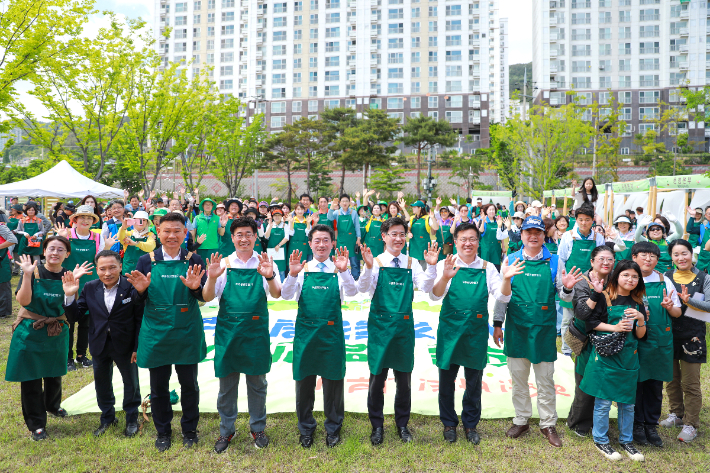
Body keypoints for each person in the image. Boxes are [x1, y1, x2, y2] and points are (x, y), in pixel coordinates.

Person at [492, 215, 579, 448]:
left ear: (544, 236)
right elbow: (503, 296)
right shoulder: (510, 259)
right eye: (528, 232)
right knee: (518, 378)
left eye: (538, 232)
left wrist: (569, 289)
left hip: (543, 328)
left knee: (545, 379)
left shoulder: (554, 261)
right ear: (521, 235)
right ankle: (521, 419)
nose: (533, 236)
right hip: (517, 327)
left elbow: (563, 294)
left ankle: (548, 423)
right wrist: (498, 324)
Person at [429, 222, 517, 444]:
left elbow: (503, 297)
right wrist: (445, 277)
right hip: (450, 330)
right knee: (446, 380)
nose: (468, 243)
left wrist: (506, 279)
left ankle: (470, 425)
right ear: (456, 242)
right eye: (463, 239)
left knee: (474, 381)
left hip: (475, 332)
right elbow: (435, 296)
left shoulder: (488, 267)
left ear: (478, 242)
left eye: (472, 239)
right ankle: (449, 424)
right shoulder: (445, 264)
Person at [126, 212, 207, 452]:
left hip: (186, 328)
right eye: (167, 231)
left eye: (177, 231)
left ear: (185, 233)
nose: (172, 236)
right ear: (158, 232)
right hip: (156, 329)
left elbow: (202, 296)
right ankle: (163, 431)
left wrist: (194, 289)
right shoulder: (145, 260)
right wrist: (140, 291)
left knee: (189, 384)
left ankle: (189, 430)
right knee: (158, 385)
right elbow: (135, 301)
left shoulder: (195, 259)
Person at [202, 218, 281, 453]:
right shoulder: (223, 263)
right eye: (239, 234)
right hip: (229, 333)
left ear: (256, 237)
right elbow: (207, 297)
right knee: (227, 386)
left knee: (257, 384)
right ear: (233, 238)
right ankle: (226, 430)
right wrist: (213, 277)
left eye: (248, 234)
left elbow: (276, 294)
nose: (244, 238)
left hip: (255, 333)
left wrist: (269, 275)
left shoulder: (265, 262)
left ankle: (258, 427)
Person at [358, 217, 437, 445]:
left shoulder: (411, 263)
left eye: (402, 234)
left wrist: (431, 266)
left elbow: (425, 287)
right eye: (393, 234)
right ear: (383, 237)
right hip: (380, 330)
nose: (398, 238)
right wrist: (367, 267)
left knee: (404, 381)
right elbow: (363, 289)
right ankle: (377, 426)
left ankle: (402, 424)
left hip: (403, 330)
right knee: (377, 379)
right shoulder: (376, 262)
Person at [5, 237, 89, 441]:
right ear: (44, 250)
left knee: (54, 374)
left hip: (57, 330)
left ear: (67, 254)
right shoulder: (33, 271)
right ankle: (36, 424)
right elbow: (23, 301)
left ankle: (52, 406)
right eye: (51, 248)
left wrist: (74, 287)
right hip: (30, 331)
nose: (55, 253)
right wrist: (25, 275)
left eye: (61, 249)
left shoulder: (68, 275)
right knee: (31, 378)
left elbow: (72, 309)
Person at [282, 225, 357, 449]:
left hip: (331, 334)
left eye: (326, 240)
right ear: (310, 244)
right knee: (304, 383)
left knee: (333, 382)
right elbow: (286, 295)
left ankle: (333, 428)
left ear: (332, 243)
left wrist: (344, 271)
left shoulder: (339, 267)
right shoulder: (301, 269)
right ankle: (306, 428)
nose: (321, 245)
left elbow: (352, 293)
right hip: (306, 334)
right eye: (317, 241)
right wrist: (292, 274)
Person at [65, 250, 143, 438]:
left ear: (120, 267)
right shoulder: (90, 288)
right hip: (99, 343)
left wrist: (137, 347)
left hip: (126, 344)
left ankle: (132, 419)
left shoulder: (132, 287)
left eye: (112, 268)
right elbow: (75, 316)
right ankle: (107, 417)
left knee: (131, 383)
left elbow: (140, 318)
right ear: (97, 270)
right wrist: (69, 297)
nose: (107, 273)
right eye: (102, 269)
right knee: (102, 383)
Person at [580, 260, 647, 462]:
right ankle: (600, 439)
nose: (630, 279)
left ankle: (627, 441)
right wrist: (615, 328)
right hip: (607, 357)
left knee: (627, 403)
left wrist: (641, 320)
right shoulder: (605, 297)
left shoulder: (639, 302)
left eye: (635, 276)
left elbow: (642, 335)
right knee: (603, 402)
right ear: (617, 276)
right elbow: (590, 324)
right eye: (626, 275)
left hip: (629, 358)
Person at [629, 241, 682, 447]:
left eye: (653, 256)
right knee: (636, 384)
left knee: (654, 385)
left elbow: (677, 312)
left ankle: (651, 425)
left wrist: (670, 307)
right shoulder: (628, 278)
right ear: (634, 257)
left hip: (659, 341)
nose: (648, 259)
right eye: (643, 255)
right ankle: (636, 425)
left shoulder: (664, 280)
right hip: (635, 340)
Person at [562, 246, 615, 437]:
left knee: (604, 379)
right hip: (586, 339)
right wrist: (596, 293)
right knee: (584, 380)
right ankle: (580, 421)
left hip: (609, 337)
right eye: (601, 259)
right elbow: (582, 313)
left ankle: (599, 419)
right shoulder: (583, 282)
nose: (606, 263)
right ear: (592, 261)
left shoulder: (616, 280)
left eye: (610, 259)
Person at [660, 239, 710, 443]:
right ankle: (676, 414)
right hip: (669, 334)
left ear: (692, 254)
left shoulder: (703, 277)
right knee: (671, 379)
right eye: (676, 254)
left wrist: (690, 301)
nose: (681, 258)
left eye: (684, 253)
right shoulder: (666, 277)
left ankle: (691, 424)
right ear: (671, 257)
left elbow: (709, 306)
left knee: (690, 383)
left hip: (693, 336)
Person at [56, 205, 116, 371]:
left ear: (93, 221)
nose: (85, 220)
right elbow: (56, 255)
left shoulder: (97, 238)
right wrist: (62, 240)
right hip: (69, 281)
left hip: (89, 283)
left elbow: (100, 259)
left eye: (89, 218)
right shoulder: (65, 234)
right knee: (68, 321)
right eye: (82, 217)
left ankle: (81, 355)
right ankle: (67, 357)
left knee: (86, 321)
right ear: (75, 220)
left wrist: (107, 247)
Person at [557, 203, 609, 356]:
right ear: (576, 220)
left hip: (591, 282)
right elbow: (562, 260)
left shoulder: (598, 237)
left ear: (593, 220)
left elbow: (602, 260)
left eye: (587, 219)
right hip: (572, 281)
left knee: (590, 315)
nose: (584, 223)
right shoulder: (568, 236)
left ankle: (587, 348)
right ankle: (567, 350)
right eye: (580, 219)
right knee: (568, 317)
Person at [328, 194, 362, 280]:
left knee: (354, 262)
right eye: (343, 201)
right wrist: (332, 207)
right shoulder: (337, 212)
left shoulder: (353, 212)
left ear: (349, 202)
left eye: (346, 201)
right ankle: (342, 278)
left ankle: (355, 278)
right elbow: (329, 217)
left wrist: (358, 238)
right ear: (340, 202)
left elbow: (357, 226)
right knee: (341, 261)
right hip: (341, 240)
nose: (345, 203)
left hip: (352, 240)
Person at [117, 211, 155, 275]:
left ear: (147, 223)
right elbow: (120, 238)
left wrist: (136, 243)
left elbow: (150, 246)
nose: (141, 222)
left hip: (145, 269)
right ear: (133, 221)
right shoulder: (128, 233)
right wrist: (123, 228)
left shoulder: (150, 234)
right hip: (129, 268)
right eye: (139, 220)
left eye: (144, 220)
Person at [408, 201, 440, 270]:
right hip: (413, 247)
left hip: (423, 247)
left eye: (414, 207)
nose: (413, 209)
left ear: (420, 208)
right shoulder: (412, 218)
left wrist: (433, 218)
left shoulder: (428, 218)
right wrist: (408, 233)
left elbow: (436, 228)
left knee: (423, 269)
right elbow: (407, 229)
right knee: (413, 268)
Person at [193, 198, 225, 262]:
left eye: (209, 204)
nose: (208, 206)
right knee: (201, 268)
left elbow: (221, 233)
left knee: (212, 268)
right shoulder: (197, 218)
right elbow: (193, 234)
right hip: (200, 247)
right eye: (206, 204)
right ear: (203, 206)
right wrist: (194, 247)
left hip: (213, 247)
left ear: (212, 206)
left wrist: (223, 225)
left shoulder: (217, 218)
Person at [477, 204, 507, 270]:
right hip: (486, 249)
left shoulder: (498, 221)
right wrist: (482, 222)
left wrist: (503, 247)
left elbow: (501, 234)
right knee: (485, 268)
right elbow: (480, 231)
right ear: (486, 211)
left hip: (496, 249)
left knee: (496, 268)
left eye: (493, 209)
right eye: (489, 210)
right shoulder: (483, 221)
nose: (491, 211)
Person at [265, 208, 290, 281]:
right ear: (272, 217)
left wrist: (279, 245)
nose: (277, 217)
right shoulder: (270, 225)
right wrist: (269, 226)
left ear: (281, 216)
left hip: (281, 250)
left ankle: (281, 288)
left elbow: (286, 237)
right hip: (271, 250)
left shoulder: (285, 225)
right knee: (271, 270)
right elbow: (266, 236)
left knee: (281, 271)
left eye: (279, 215)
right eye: (275, 215)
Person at [0, 223, 17, 318]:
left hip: (2, 260)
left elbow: (13, 240)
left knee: (3, 286)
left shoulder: (1, 227)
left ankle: (4, 312)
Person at [693, 206, 710, 272]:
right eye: (709, 213)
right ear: (705, 215)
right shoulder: (702, 227)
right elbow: (689, 229)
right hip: (703, 261)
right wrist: (692, 216)